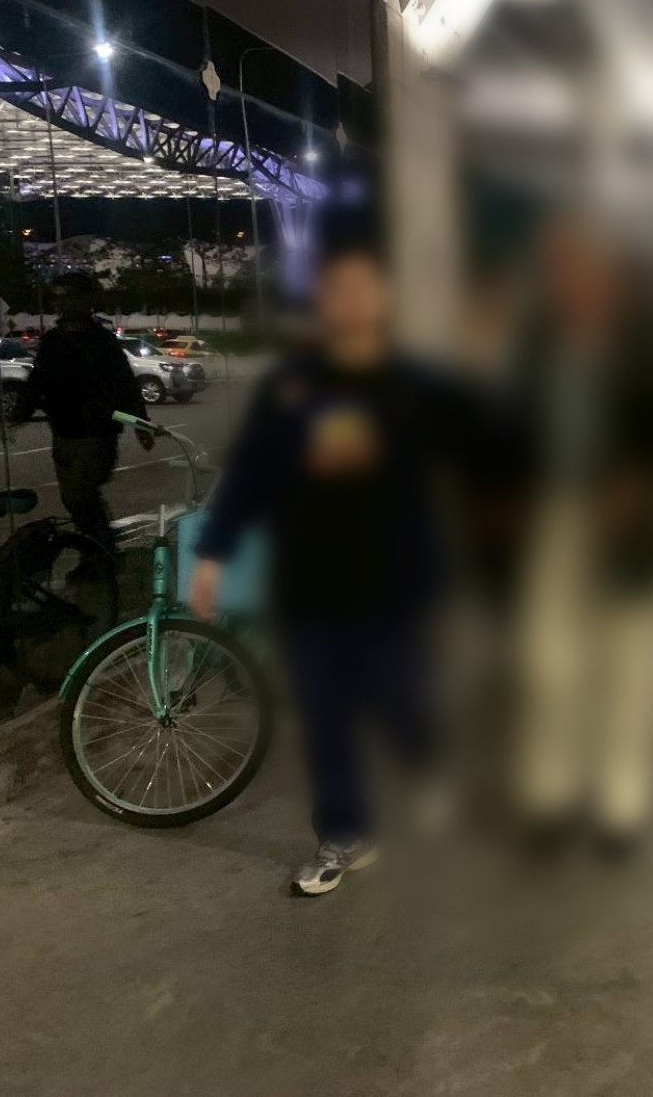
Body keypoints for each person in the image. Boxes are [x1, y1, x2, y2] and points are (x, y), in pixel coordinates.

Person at [189, 243, 468, 897]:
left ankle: (428, 765)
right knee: (323, 709)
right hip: (310, 579)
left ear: (383, 300)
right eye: (337, 290)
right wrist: (213, 554)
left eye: (362, 289)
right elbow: (250, 473)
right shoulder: (292, 385)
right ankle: (344, 832)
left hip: (395, 577)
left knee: (397, 693)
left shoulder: (418, 385)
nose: (349, 302)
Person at [509, 214, 653, 857]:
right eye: (557, 267)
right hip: (553, 517)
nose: (568, 280)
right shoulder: (537, 340)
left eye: (580, 265)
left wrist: (644, 479)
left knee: (626, 666)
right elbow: (515, 425)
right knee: (547, 664)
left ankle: (620, 804)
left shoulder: (649, 342)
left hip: (629, 526)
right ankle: (550, 797)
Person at [25, 273, 151, 554]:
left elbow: (126, 384)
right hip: (63, 432)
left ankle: (101, 553)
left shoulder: (100, 341)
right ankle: (97, 554)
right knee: (73, 499)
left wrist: (141, 423)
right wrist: (19, 412)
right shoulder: (53, 341)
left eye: (68, 296)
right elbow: (38, 380)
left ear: (86, 300)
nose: (62, 304)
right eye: (57, 298)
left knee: (79, 495)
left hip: (95, 434)